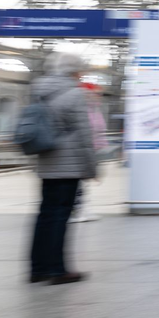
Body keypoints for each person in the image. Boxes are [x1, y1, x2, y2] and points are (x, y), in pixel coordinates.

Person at [29, 52, 98, 284]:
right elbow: (84, 135)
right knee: (60, 217)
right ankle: (58, 270)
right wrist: (91, 168)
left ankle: (37, 269)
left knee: (45, 215)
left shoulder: (39, 90)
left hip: (46, 160)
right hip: (69, 165)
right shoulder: (75, 93)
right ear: (74, 71)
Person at [70, 82, 107, 224]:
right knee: (79, 181)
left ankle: (83, 208)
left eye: (99, 94)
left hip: (91, 149)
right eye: (95, 93)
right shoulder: (82, 109)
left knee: (85, 181)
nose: (98, 96)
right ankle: (78, 210)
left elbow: (98, 130)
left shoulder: (94, 109)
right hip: (81, 149)